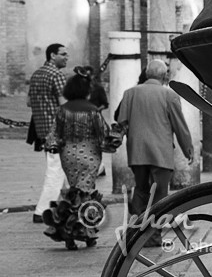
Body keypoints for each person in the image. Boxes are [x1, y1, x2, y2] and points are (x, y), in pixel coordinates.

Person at [42, 74, 118, 249]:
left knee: (73, 192)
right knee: (86, 193)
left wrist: (53, 146)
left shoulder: (62, 110)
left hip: (68, 154)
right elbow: (103, 135)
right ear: (86, 91)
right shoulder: (92, 111)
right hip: (90, 154)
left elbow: (54, 134)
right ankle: (86, 233)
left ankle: (68, 234)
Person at [114, 58, 194, 219]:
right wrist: (188, 149)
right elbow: (179, 126)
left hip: (137, 152)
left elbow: (121, 121)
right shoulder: (169, 95)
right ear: (165, 76)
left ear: (146, 73)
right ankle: (154, 229)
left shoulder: (129, 93)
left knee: (141, 188)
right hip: (161, 153)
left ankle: (137, 225)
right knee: (159, 193)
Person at [28, 43, 70, 224]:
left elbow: (29, 102)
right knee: (56, 170)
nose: (67, 57)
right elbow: (64, 103)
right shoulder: (56, 75)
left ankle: (70, 206)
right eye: (63, 54)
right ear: (52, 55)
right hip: (57, 130)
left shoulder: (36, 74)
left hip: (42, 129)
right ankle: (42, 210)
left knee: (63, 169)